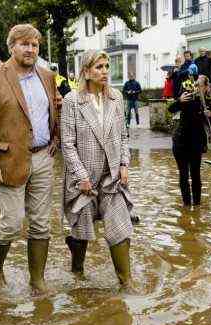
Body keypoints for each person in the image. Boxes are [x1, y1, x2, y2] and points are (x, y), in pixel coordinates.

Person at [0, 24, 61, 294]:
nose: (30, 49)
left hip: (43, 156)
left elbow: (52, 109)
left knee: (41, 222)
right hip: (7, 161)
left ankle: (37, 280)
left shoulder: (47, 75)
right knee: (12, 221)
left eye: (34, 45)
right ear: (12, 47)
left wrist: (55, 137)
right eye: (24, 44)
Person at [60, 49, 135, 291]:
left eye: (106, 66)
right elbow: (67, 144)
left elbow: (124, 136)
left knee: (119, 228)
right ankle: (77, 270)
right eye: (99, 67)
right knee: (82, 230)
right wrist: (81, 177)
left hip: (111, 178)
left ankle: (126, 283)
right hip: (83, 179)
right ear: (86, 72)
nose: (104, 72)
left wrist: (124, 164)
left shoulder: (116, 97)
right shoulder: (73, 101)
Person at [168, 59, 211, 207]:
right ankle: (187, 206)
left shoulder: (207, 103)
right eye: (196, 84)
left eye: (200, 85)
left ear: (206, 87)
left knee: (196, 175)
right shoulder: (187, 96)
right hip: (181, 142)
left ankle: (198, 206)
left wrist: (210, 115)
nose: (197, 87)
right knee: (183, 174)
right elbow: (171, 109)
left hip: (196, 143)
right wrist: (179, 100)